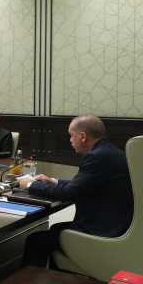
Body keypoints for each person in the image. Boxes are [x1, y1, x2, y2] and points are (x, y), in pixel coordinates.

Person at [17, 115, 134, 268]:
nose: (70, 140)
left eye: (72, 136)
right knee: (55, 229)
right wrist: (53, 181)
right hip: (115, 224)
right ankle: (59, 276)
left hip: (102, 231)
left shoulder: (96, 157)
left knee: (35, 240)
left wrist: (30, 185)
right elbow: (86, 184)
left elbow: (69, 194)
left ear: (83, 136)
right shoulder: (109, 151)